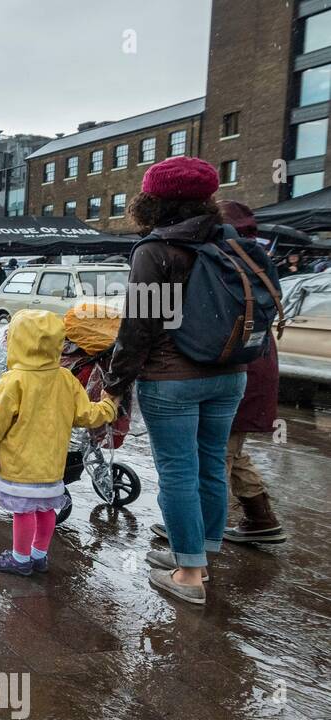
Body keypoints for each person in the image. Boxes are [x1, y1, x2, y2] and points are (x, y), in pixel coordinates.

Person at [104, 156, 251, 605]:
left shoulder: (157, 249)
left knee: (178, 472)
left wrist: (115, 383)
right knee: (210, 466)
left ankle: (188, 574)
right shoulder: (230, 241)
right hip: (230, 375)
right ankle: (198, 555)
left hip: (172, 378)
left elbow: (141, 325)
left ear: (151, 200)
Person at [150, 200, 287, 546]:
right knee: (228, 451)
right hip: (249, 364)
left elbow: (148, 316)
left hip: (224, 368)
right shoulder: (252, 258)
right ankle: (259, 519)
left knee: (212, 459)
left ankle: (195, 540)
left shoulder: (211, 255)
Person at [0, 310, 118, 576]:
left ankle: (20, 559)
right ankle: (39, 556)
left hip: (21, 465)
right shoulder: (65, 378)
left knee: (23, 512)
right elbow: (85, 414)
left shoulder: (13, 380)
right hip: (53, 464)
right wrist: (109, 405)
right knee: (46, 509)